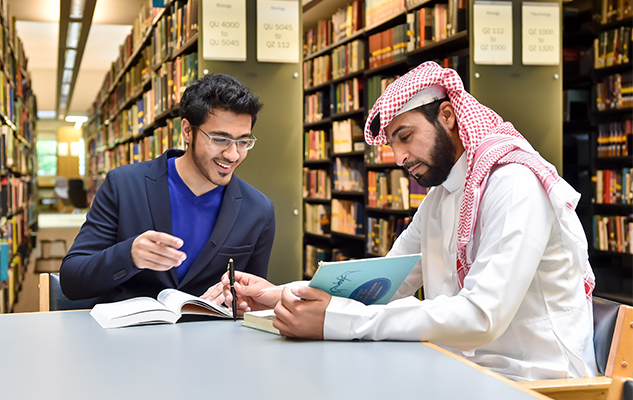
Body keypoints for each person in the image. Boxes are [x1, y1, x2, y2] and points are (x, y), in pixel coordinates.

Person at [209, 62, 598, 381]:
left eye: (406, 137)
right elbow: (384, 284)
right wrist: (284, 294)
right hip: (463, 367)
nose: (399, 158)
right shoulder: (442, 196)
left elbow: (481, 317)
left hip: (534, 381)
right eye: (393, 144)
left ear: (447, 115)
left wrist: (338, 322)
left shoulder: (514, 185)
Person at [60, 73, 275, 305]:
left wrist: (245, 302)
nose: (233, 154)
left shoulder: (259, 210)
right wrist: (129, 255)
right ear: (187, 131)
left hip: (211, 337)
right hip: (129, 336)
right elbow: (72, 281)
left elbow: (252, 296)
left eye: (243, 142)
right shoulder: (123, 185)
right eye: (219, 139)